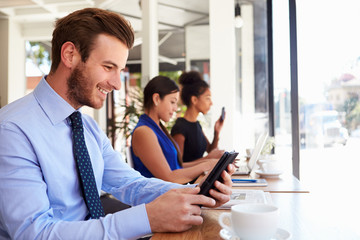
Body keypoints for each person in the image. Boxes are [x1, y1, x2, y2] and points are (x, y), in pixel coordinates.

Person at [0, 8, 235, 240]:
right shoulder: (12, 130)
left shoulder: (86, 128)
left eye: (119, 70)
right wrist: (148, 218)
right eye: (108, 67)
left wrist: (197, 193)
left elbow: (130, 184)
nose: (117, 84)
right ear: (70, 54)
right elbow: (34, 234)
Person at [130, 76, 219, 184]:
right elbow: (169, 177)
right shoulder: (144, 132)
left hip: (174, 194)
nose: (175, 108)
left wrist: (210, 162)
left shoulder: (158, 128)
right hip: (160, 198)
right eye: (172, 102)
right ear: (156, 99)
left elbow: (177, 166)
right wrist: (207, 165)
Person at [171, 71, 225, 164]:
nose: (211, 103)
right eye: (207, 98)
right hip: (190, 178)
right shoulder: (180, 128)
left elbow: (211, 151)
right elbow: (177, 166)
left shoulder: (197, 125)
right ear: (194, 100)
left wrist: (217, 132)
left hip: (200, 177)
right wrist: (208, 159)